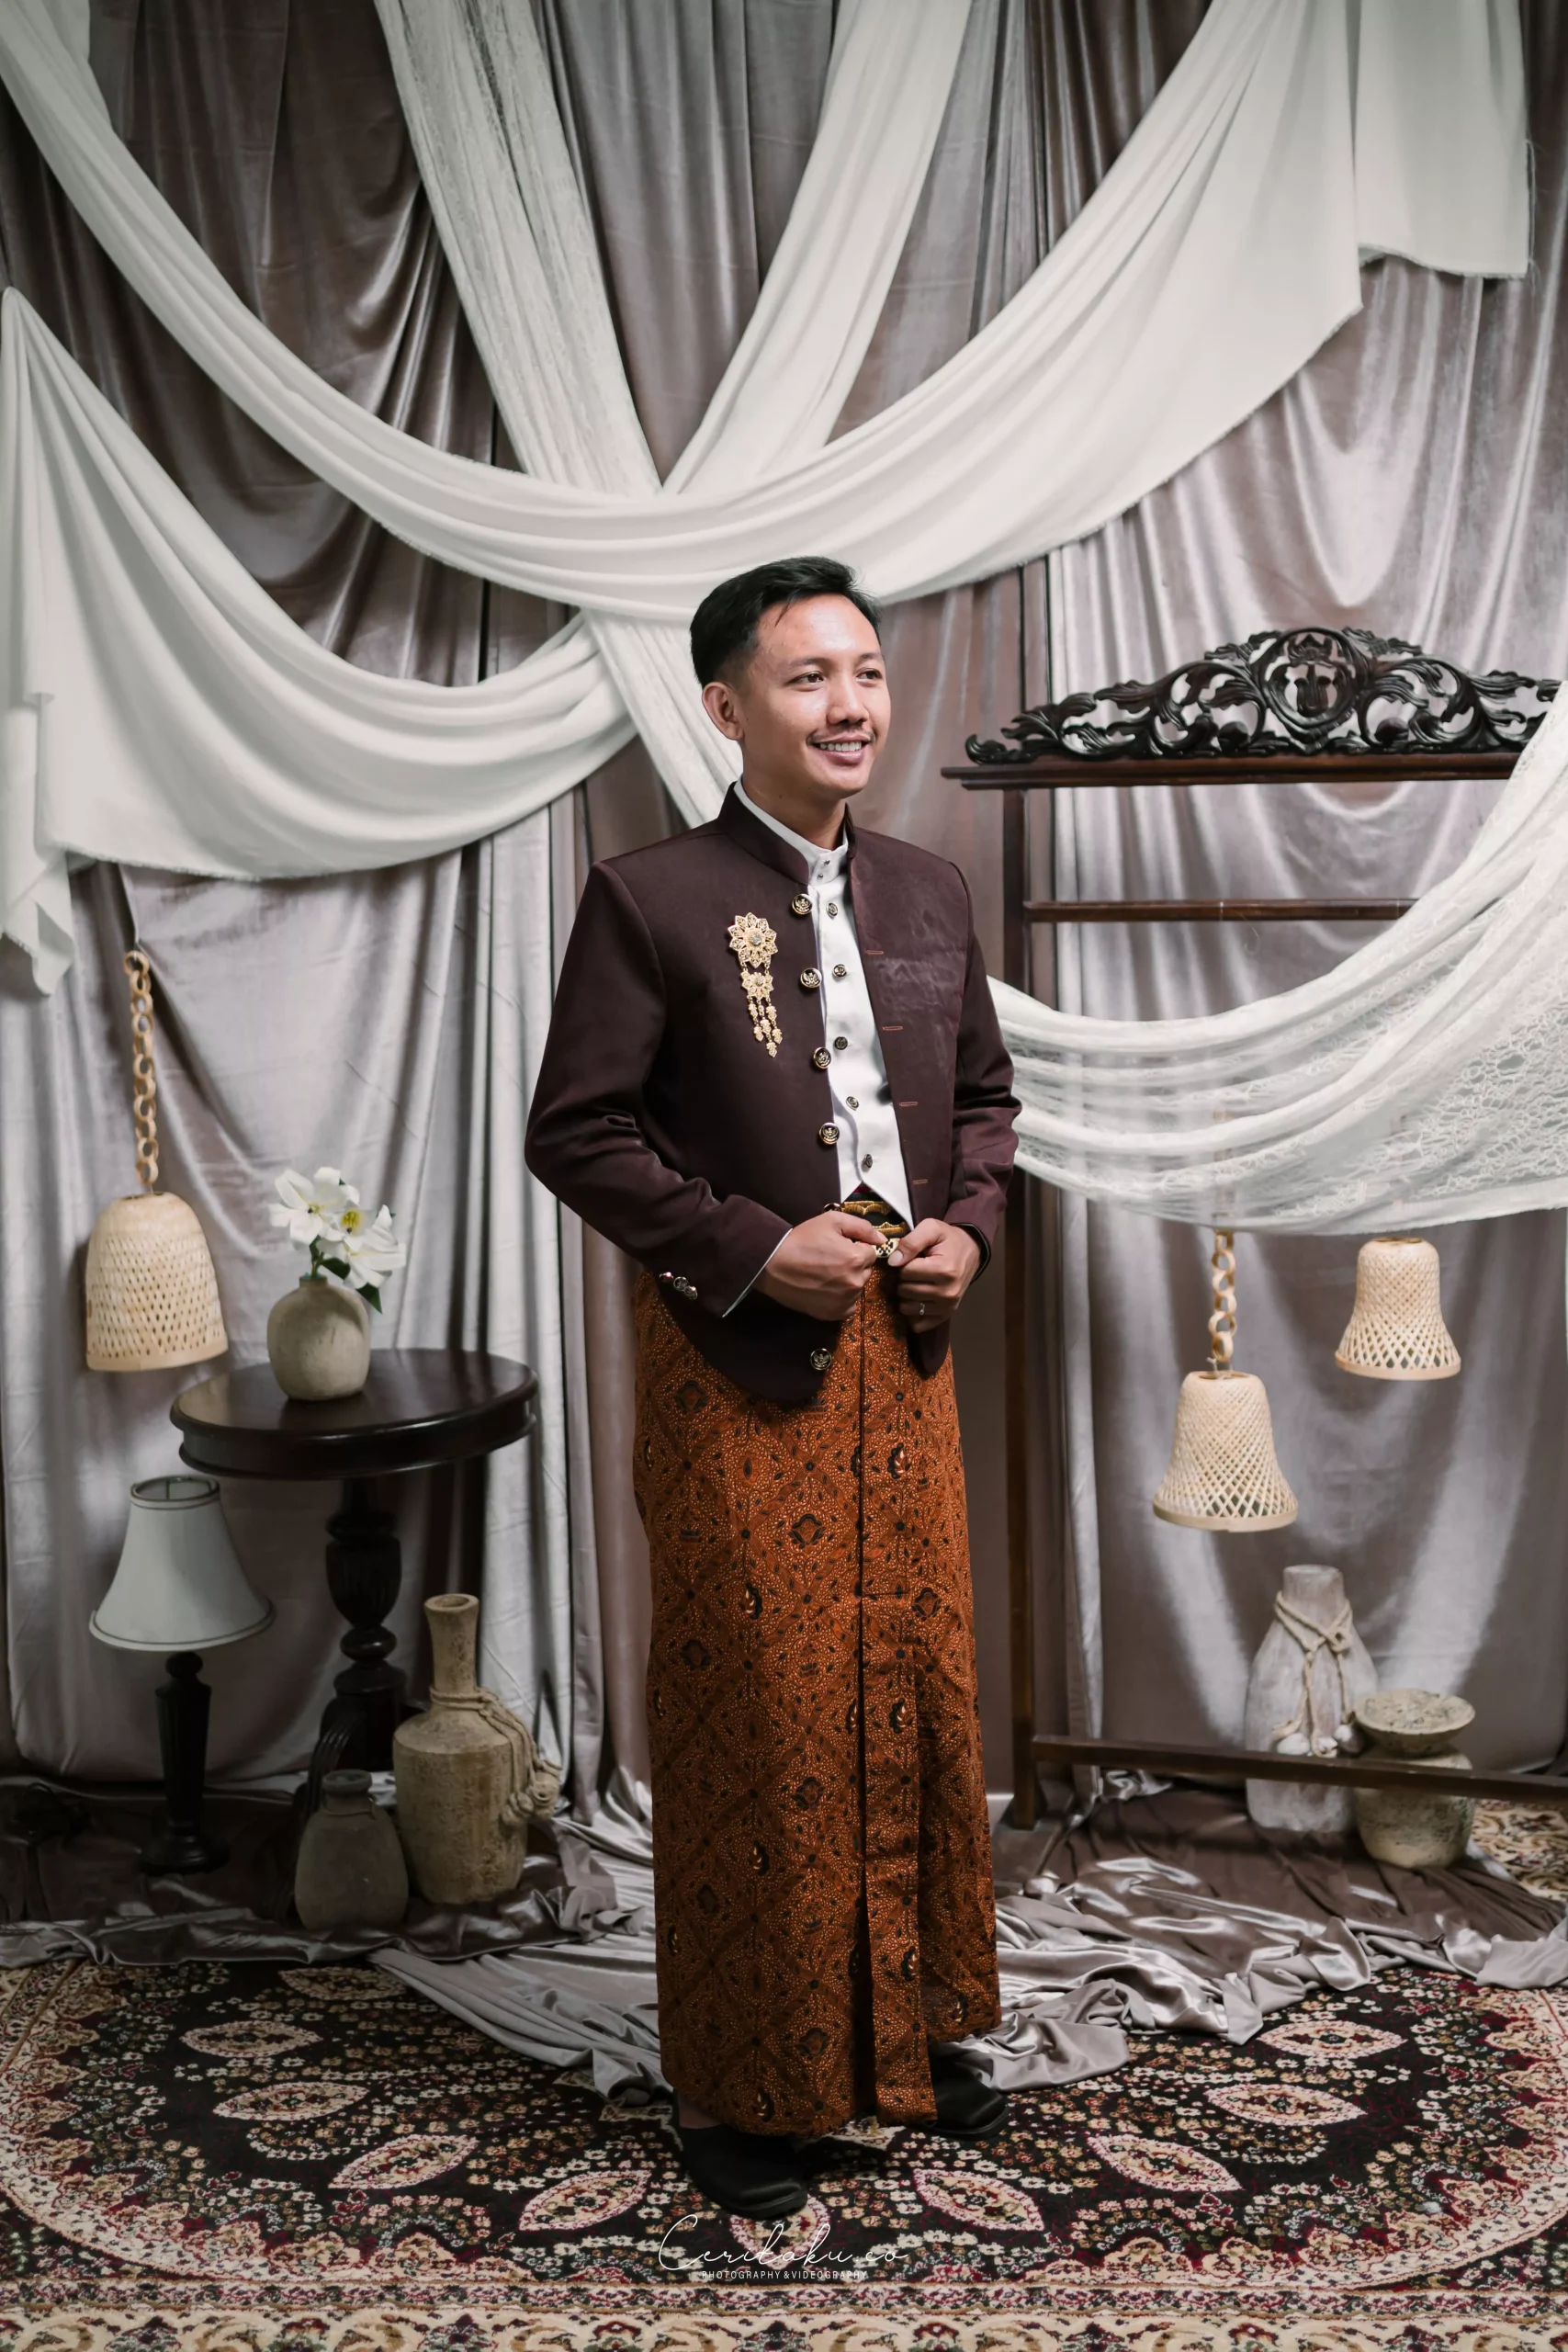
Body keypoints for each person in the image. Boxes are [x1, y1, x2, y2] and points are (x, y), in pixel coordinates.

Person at [525, 555, 1019, 2218]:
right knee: (759, 1701)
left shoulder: (933, 891)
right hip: (735, 1356)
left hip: (906, 1354)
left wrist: (966, 1229)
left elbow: (986, 1105)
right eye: (808, 677)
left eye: (864, 671)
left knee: (911, 1681)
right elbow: (577, 1131)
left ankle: (912, 2034)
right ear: (726, 708)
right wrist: (749, 1246)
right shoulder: (648, 896)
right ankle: (746, 2081)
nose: (850, 704)